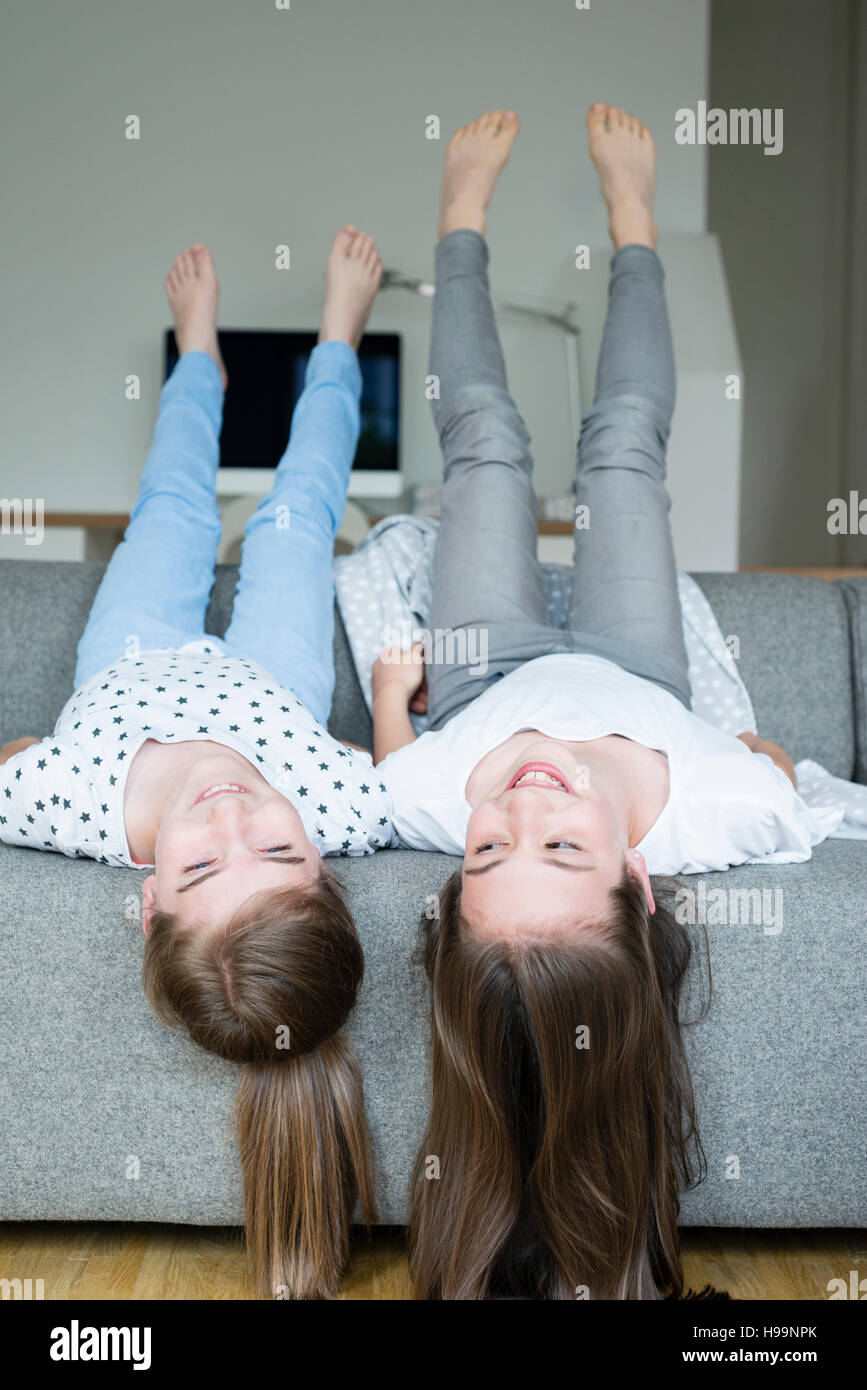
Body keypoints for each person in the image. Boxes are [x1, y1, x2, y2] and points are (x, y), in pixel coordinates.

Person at [372, 105, 829, 1298]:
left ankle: (459, 224)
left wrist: (391, 696)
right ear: (638, 880)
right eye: (562, 844)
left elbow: (395, 767)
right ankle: (636, 227)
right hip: (638, 668)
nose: (522, 806)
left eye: (487, 848)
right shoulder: (722, 815)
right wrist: (750, 748)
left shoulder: (432, 798)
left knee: (486, 448)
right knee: (623, 444)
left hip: (485, 666)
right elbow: (777, 771)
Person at [0, 227, 393, 1297]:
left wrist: (31, 751)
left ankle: (198, 356)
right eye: (274, 846)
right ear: (323, 853)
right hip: (271, 684)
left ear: (146, 901)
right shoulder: (342, 802)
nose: (230, 818)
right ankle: (339, 340)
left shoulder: (71, 810)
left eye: (201, 870)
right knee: (296, 517)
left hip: (128, 662)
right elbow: (401, 779)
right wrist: (389, 712)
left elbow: (13, 765)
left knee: (172, 508)